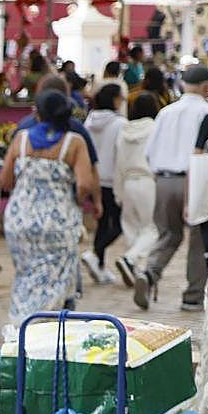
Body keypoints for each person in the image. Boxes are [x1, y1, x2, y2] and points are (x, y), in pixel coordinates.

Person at [0, 87, 96, 324]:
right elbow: (84, 185)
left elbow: (5, 180)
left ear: (38, 114)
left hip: (19, 220)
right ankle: (45, 332)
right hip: (57, 222)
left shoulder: (21, 139)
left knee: (25, 276)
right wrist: (73, 201)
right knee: (56, 281)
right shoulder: (74, 142)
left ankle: (20, 326)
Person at [138, 62, 208, 311]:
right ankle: (192, 295)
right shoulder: (207, 113)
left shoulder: (166, 112)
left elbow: (149, 152)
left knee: (168, 234)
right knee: (198, 239)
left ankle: (150, 273)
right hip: (198, 181)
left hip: (165, 180)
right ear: (206, 86)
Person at [115, 90, 163, 289]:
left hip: (127, 181)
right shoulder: (155, 128)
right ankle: (130, 259)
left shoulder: (124, 130)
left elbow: (117, 162)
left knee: (131, 226)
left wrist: (118, 191)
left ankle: (132, 266)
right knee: (152, 229)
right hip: (147, 180)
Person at [84, 85, 127, 284]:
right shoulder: (120, 123)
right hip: (111, 179)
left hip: (94, 178)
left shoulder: (89, 121)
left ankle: (99, 265)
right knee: (119, 224)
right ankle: (95, 253)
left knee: (102, 221)